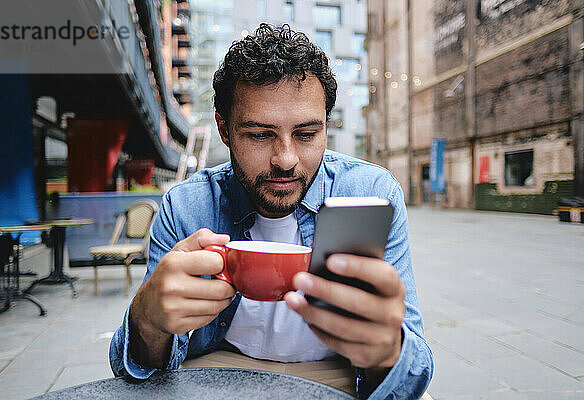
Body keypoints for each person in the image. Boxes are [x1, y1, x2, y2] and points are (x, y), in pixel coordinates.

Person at [110, 24, 433, 399]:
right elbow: (138, 370)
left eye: (307, 134)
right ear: (224, 129)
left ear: (326, 124)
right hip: (220, 371)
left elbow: (414, 371)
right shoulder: (187, 206)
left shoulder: (370, 193)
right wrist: (147, 319)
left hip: (341, 374)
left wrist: (387, 351)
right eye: (261, 135)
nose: (286, 159)